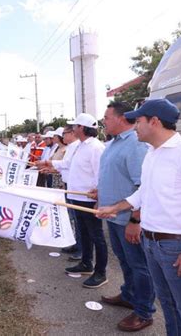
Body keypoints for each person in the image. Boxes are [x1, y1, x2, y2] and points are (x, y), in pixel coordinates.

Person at [97, 99, 181, 335]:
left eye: (138, 121)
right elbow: (143, 192)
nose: (135, 126)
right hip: (152, 244)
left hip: (178, 247)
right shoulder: (152, 154)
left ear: (154, 121)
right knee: (170, 308)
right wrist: (115, 207)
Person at [94, 102, 155, 332]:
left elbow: (143, 186)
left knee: (140, 266)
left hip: (127, 219)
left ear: (121, 118)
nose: (104, 122)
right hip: (113, 217)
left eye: (107, 117)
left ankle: (144, 312)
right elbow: (115, 175)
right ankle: (129, 295)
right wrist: (99, 191)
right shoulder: (113, 143)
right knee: (126, 262)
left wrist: (135, 221)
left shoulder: (135, 145)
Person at [62, 113, 108, 288]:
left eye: (75, 126)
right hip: (77, 196)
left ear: (81, 128)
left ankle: (101, 272)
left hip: (89, 200)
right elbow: (69, 166)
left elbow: (100, 175)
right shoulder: (81, 146)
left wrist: (99, 199)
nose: (73, 129)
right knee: (84, 233)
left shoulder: (96, 147)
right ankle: (86, 263)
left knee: (96, 236)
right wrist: (49, 163)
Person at [36, 124, 82, 260]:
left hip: (72, 186)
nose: (62, 136)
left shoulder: (75, 147)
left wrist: (47, 165)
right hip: (67, 185)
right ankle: (76, 244)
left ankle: (81, 249)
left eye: (65, 134)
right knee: (72, 217)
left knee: (77, 219)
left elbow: (66, 165)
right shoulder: (70, 147)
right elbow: (64, 166)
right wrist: (48, 168)